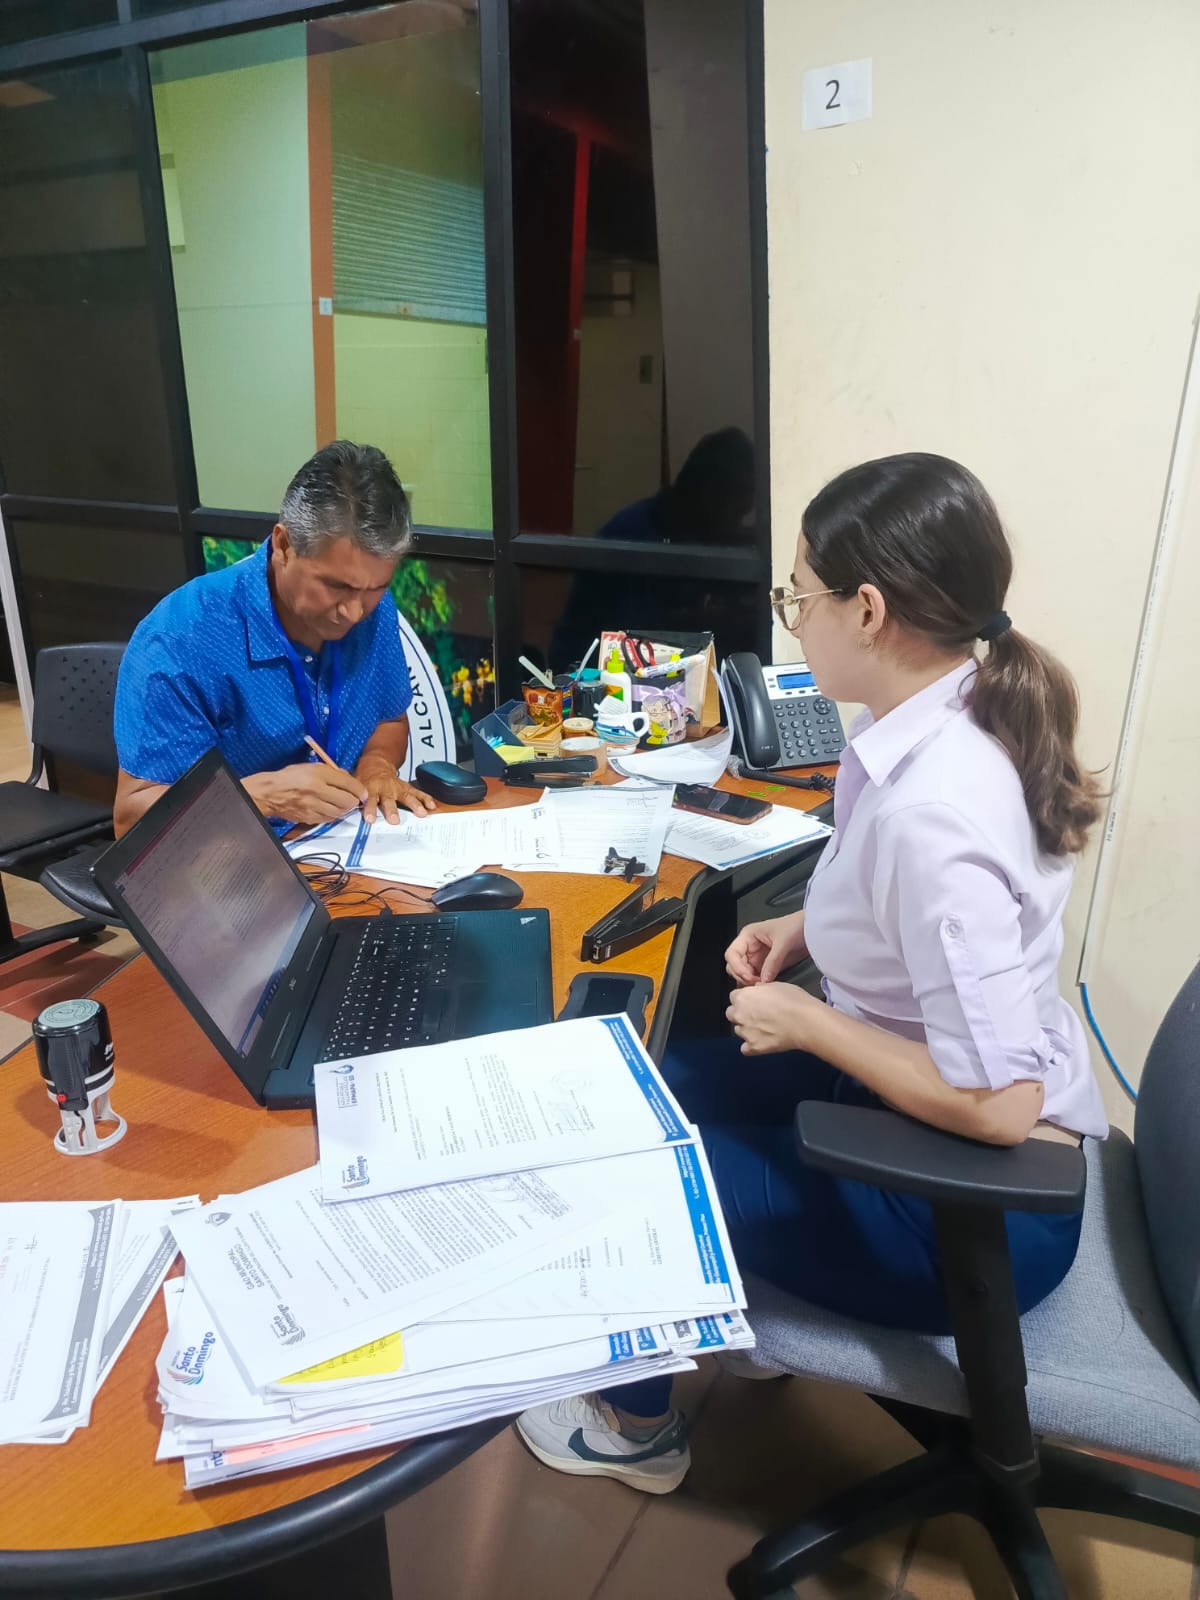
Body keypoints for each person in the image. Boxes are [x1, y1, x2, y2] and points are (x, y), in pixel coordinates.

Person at [516, 452, 1109, 1493]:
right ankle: (737, 1284)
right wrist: (805, 930)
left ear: (867, 610)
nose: (792, 619)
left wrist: (807, 1020)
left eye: (799, 597)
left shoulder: (937, 810)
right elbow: (908, 913)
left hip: (972, 1209)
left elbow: (1004, 1106)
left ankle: (636, 1427)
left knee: (639, 1175)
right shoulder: (947, 710)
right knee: (640, 1086)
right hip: (916, 1102)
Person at [114, 441, 436, 837]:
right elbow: (130, 819)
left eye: (376, 588)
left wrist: (377, 766)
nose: (354, 612)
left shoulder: (374, 609)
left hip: (340, 844)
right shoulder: (182, 639)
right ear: (284, 546)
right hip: (227, 853)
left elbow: (390, 719)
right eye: (337, 587)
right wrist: (261, 797)